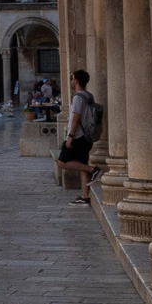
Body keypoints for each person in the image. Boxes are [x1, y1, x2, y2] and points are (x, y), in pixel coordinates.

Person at [56, 69, 105, 205]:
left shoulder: (78, 97)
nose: (71, 81)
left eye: (72, 79)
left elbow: (76, 117)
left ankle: (94, 170)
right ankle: (85, 197)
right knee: (82, 165)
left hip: (77, 136)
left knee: (62, 162)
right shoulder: (89, 95)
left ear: (76, 81)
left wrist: (70, 136)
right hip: (87, 136)